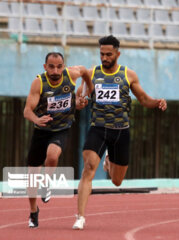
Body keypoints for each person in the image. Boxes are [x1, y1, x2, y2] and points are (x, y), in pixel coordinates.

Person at [73, 35, 167, 230]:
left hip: (120, 132)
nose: (104, 58)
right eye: (101, 54)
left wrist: (157, 102)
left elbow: (143, 99)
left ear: (118, 53)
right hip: (98, 129)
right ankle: (80, 216)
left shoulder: (128, 74)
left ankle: (108, 159)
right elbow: (80, 99)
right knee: (88, 168)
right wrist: (79, 102)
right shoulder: (91, 74)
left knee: (117, 181)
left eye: (108, 54)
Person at [23, 52, 91, 228]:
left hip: (61, 128)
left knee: (53, 156)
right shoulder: (39, 82)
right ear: (45, 67)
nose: (55, 70)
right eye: (51, 67)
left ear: (63, 66)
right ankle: (33, 212)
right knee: (31, 180)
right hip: (41, 130)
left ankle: (46, 184)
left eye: (59, 66)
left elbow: (85, 71)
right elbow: (27, 111)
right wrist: (37, 119)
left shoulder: (71, 75)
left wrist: (86, 90)